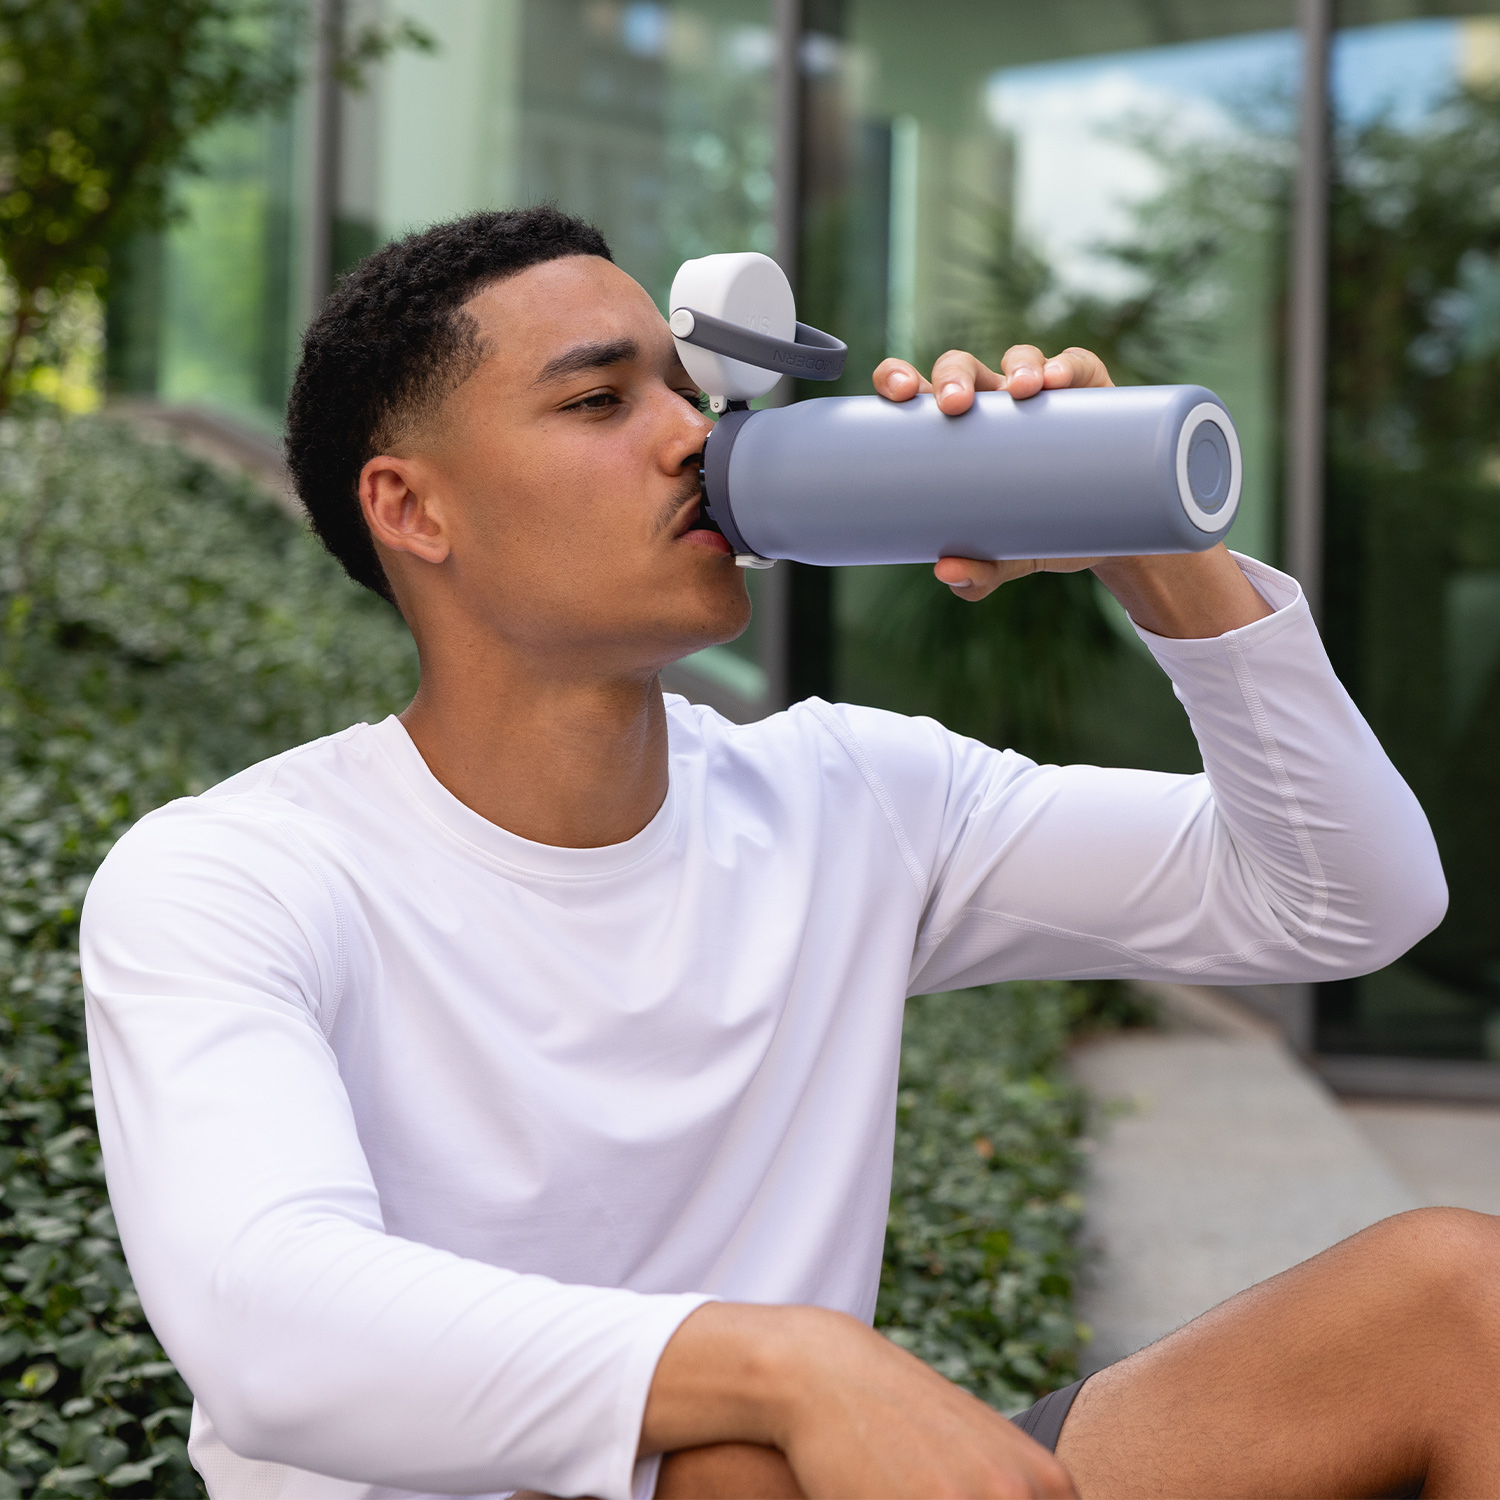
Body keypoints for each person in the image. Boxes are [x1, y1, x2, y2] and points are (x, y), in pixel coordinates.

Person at [78, 206, 1487, 1500]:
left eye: (684, 389)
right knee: (732, 1465)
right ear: (413, 509)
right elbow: (267, 1320)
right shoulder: (234, 875)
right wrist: (788, 1368)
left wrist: (1150, 546)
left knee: (1456, 1303)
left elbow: (1346, 899)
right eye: (597, 399)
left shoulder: (844, 796)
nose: (690, 435)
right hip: (738, 1470)